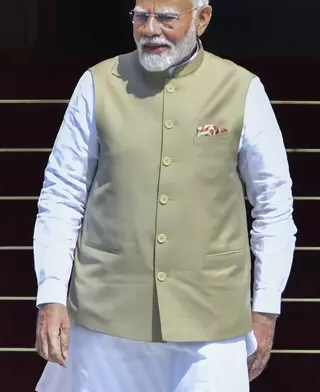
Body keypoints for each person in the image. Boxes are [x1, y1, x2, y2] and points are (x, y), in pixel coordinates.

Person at [33, 0, 296, 390]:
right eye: (141, 16)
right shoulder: (99, 82)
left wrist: (266, 307)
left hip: (211, 315)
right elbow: (62, 194)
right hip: (105, 311)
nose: (150, 29)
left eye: (167, 18)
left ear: (202, 19)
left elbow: (274, 205)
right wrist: (51, 293)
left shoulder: (240, 88)